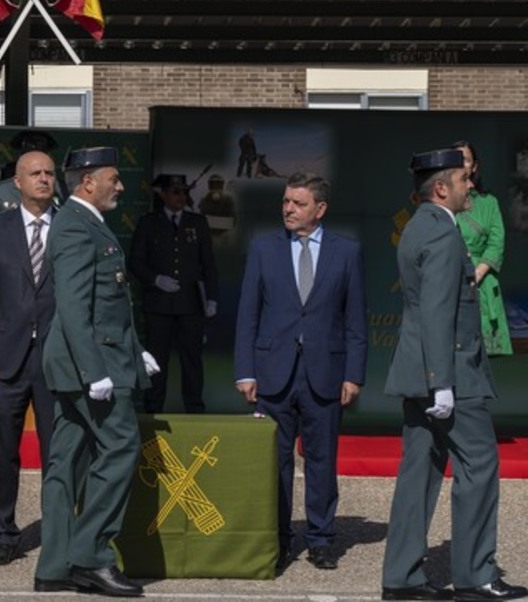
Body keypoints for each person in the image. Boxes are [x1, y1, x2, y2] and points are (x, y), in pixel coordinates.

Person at [381, 149, 527, 602]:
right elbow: (441, 313)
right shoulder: (443, 233)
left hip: (423, 371)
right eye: (464, 179)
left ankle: (401, 578)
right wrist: (441, 381)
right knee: (479, 466)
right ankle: (475, 576)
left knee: (418, 474)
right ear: (442, 187)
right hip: (451, 374)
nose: (471, 186)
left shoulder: (419, 226)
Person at [34, 146, 158, 597]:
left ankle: (55, 565)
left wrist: (136, 348)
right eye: (114, 178)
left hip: (100, 358)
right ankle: (91, 556)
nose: (121, 186)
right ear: (88, 181)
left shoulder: (85, 223)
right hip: (93, 367)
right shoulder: (74, 226)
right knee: (121, 449)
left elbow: (109, 304)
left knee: (66, 462)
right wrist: (95, 372)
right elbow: (72, 307)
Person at [234, 171, 367, 573]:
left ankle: (322, 539)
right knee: (275, 462)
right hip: (273, 373)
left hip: (325, 374)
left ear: (320, 209)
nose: (289, 209)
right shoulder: (263, 248)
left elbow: (355, 319)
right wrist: (245, 371)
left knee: (322, 461)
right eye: (286, 202)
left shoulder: (347, 251)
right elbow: (248, 314)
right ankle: (277, 540)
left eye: (298, 203)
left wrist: (354, 374)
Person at [0, 150, 58, 567]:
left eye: (49, 173)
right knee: (2, 452)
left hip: (57, 360)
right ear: (16, 183)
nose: (43, 179)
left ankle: (60, 532)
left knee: (59, 451)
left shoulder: (71, 227)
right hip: (3, 359)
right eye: (34, 173)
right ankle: (2, 535)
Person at [129, 173, 219, 413]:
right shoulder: (149, 222)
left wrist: (211, 298)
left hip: (191, 304)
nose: (181, 197)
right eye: (176, 192)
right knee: (157, 361)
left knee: (192, 360)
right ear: (164, 194)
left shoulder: (197, 222)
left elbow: (208, 263)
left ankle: (195, 409)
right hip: (159, 304)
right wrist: (156, 279)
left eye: (184, 192)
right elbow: (136, 261)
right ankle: (153, 409)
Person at [452, 141, 513, 357]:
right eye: (456, 159)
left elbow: (497, 244)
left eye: (466, 160)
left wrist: (476, 274)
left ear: (474, 166)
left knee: (480, 356)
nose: (462, 165)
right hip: (451, 276)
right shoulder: (444, 201)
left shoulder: (489, 203)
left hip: (482, 279)